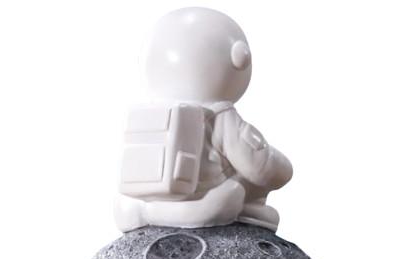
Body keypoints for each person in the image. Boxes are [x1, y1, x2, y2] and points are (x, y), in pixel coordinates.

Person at [115, 7, 292, 232]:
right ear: (239, 58)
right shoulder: (222, 116)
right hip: (204, 204)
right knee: (237, 190)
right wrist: (283, 169)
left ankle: (146, 212)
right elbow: (259, 167)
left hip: (145, 201)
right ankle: (221, 211)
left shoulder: (146, 115)